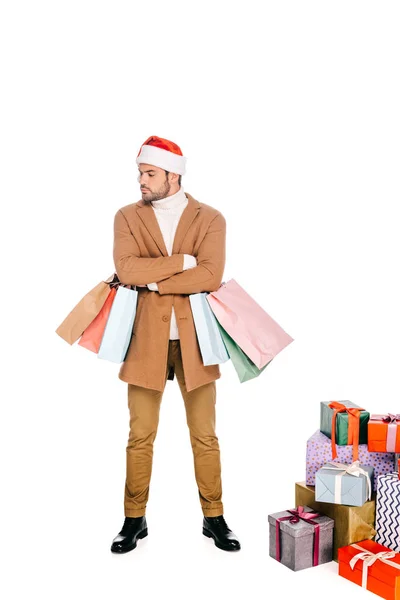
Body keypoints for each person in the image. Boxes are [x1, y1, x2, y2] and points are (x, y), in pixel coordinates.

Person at [110, 135, 240, 554]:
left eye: (149, 173)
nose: (141, 181)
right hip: (145, 340)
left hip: (195, 342)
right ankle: (134, 520)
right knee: (139, 435)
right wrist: (181, 263)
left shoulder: (211, 218)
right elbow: (124, 269)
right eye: (140, 173)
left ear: (173, 174)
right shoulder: (127, 216)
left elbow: (210, 275)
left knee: (205, 435)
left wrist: (151, 280)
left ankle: (214, 517)